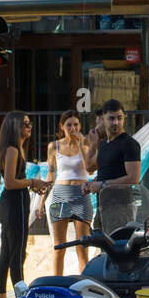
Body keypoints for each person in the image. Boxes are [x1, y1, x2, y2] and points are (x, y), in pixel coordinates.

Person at [0, 112, 47, 298]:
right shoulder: (13, 150)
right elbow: (9, 183)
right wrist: (32, 182)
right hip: (14, 204)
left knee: (7, 253)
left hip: (12, 203)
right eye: (25, 123)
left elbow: (14, 181)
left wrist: (31, 186)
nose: (29, 126)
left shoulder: (13, 149)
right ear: (14, 126)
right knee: (16, 253)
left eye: (29, 123)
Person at [45, 110, 95, 275]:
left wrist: (81, 143)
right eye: (69, 125)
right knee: (59, 247)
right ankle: (57, 286)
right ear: (62, 126)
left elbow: (89, 169)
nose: (72, 128)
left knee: (82, 246)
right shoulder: (54, 146)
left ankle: (84, 285)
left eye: (76, 124)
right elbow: (50, 175)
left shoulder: (86, 144)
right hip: (60, 194)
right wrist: (40, 202)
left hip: (81, 195)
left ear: (80, 126)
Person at [84, 100, 142, 237]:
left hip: (121, 208)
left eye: (119, 118)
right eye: (111, 118)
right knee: (105, 253)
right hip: (102, 206)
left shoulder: (129, 144)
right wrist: (92, 184)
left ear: (124, 118)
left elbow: (133, 179)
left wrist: (102, 185)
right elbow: (101, 171)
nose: (116, 122)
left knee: (119, 252)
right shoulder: (104, 144)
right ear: (103, 119)